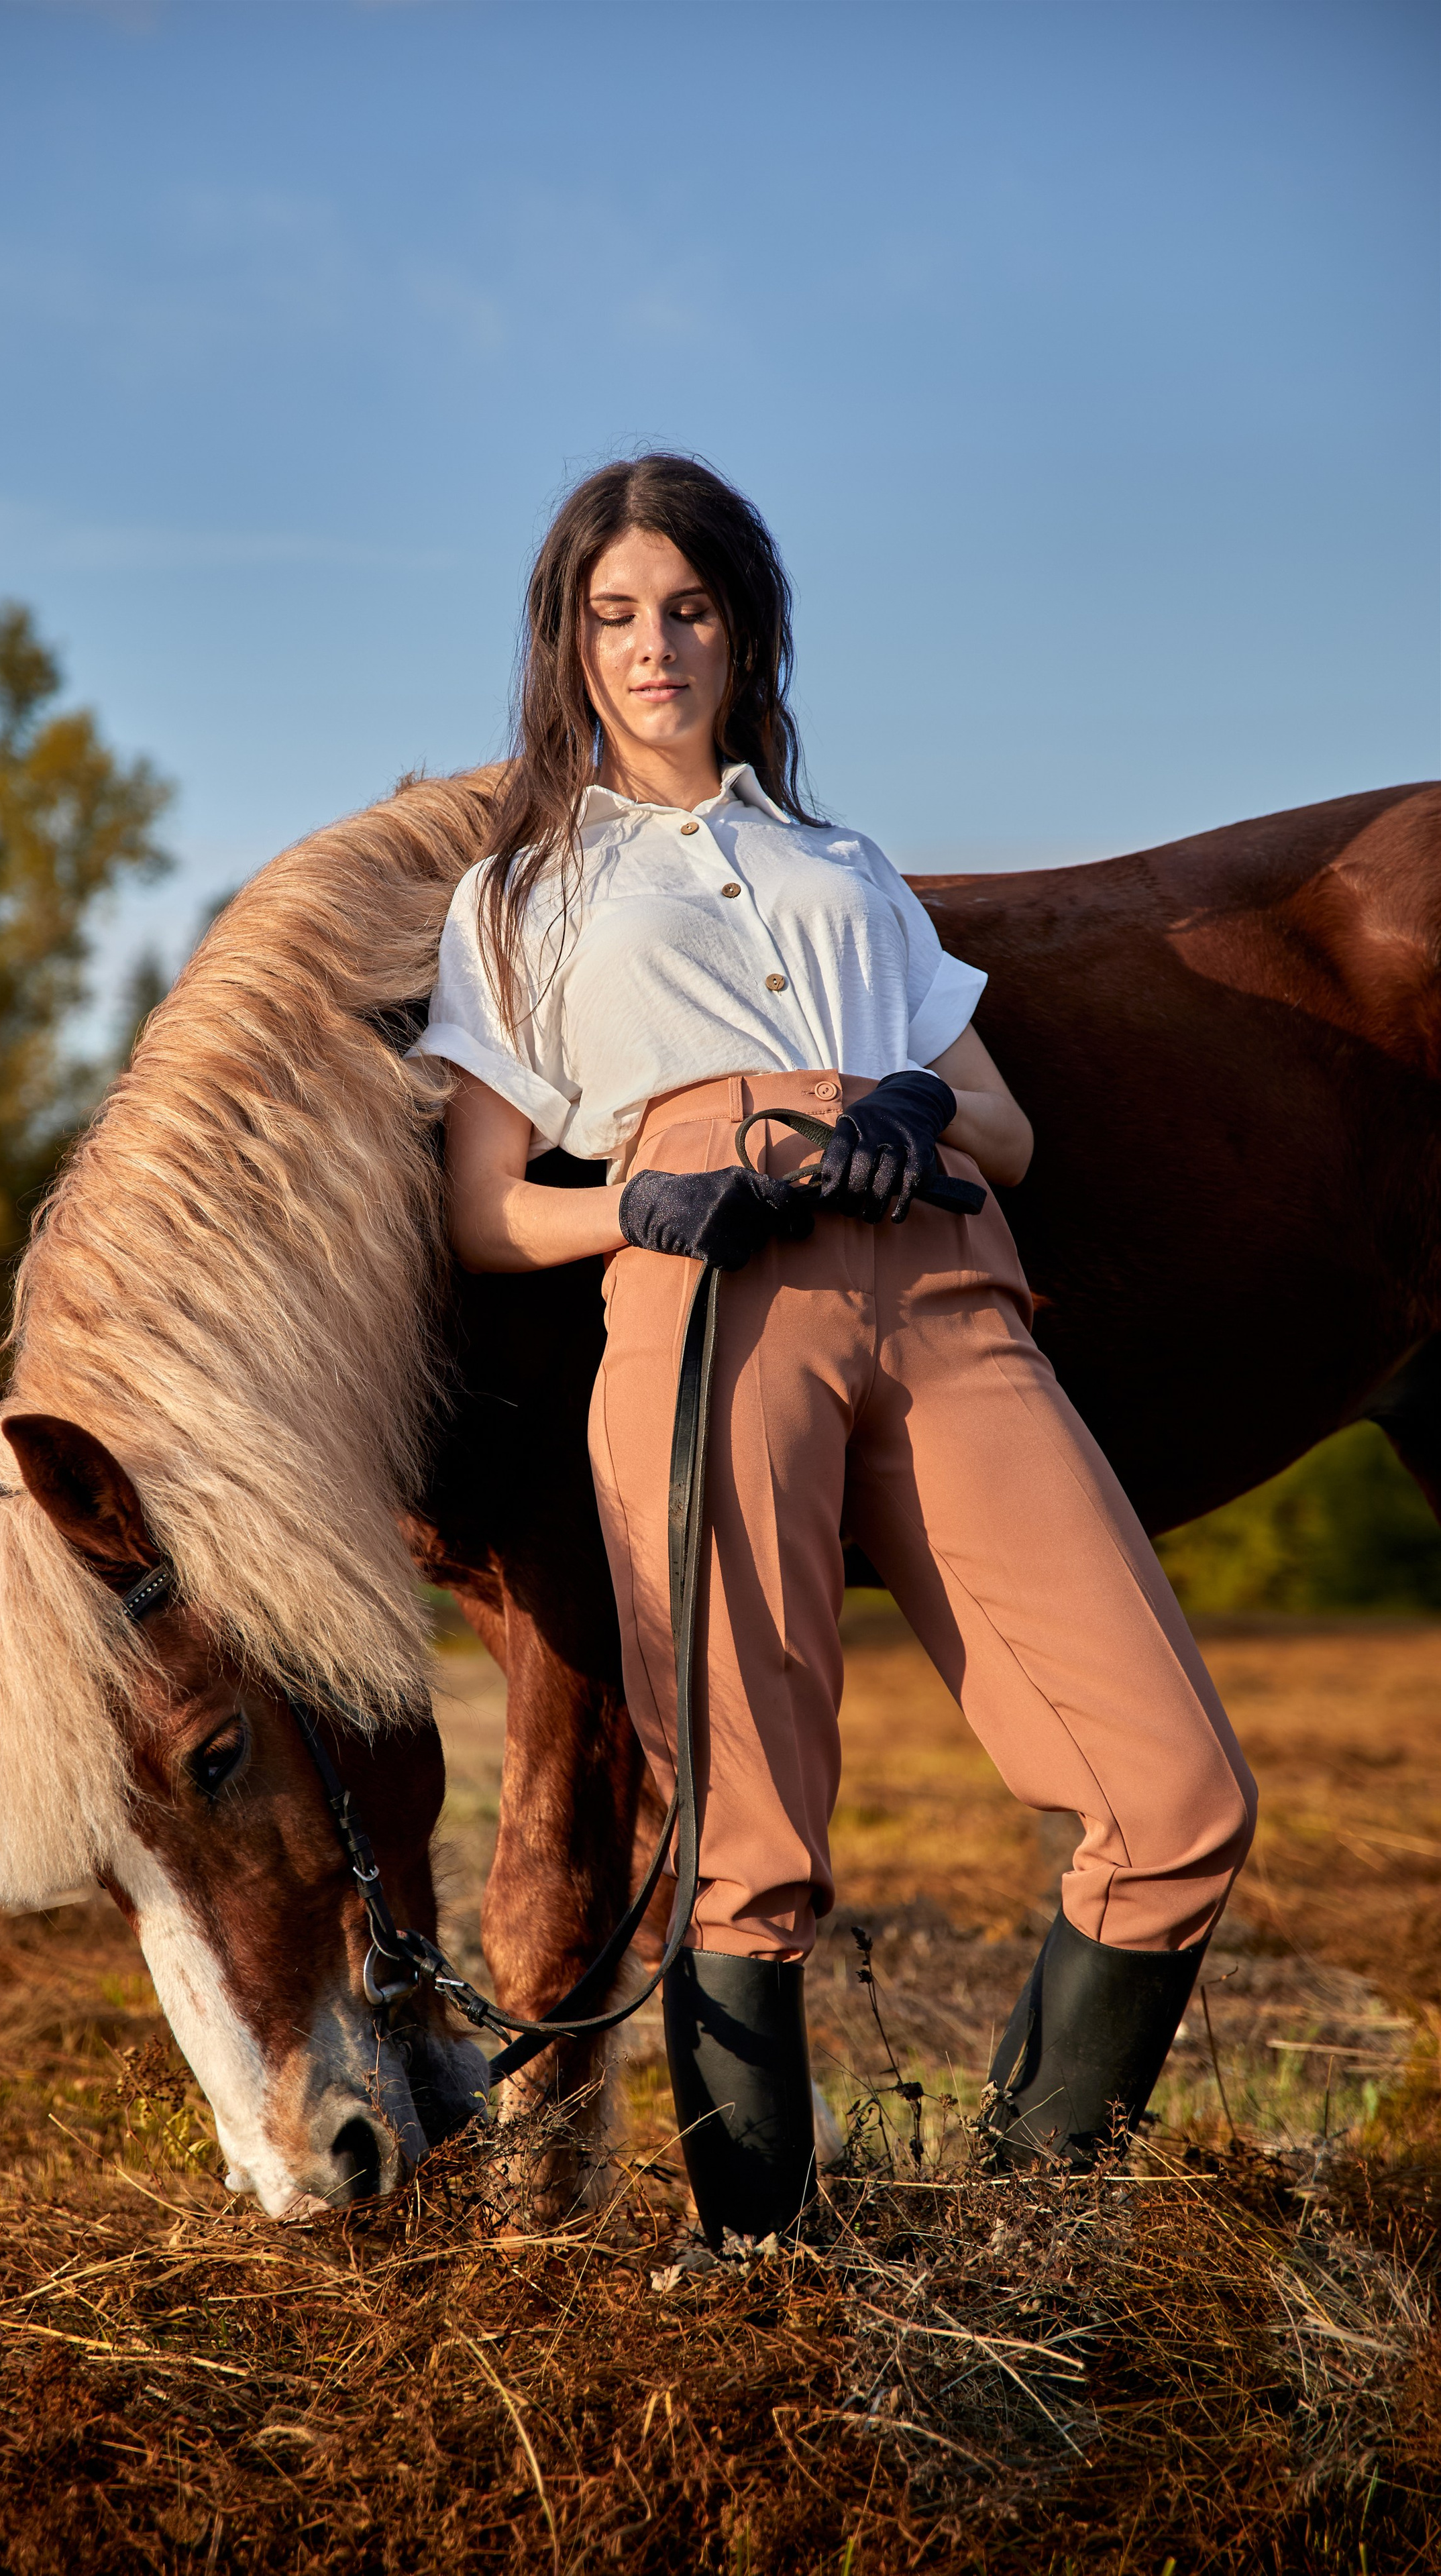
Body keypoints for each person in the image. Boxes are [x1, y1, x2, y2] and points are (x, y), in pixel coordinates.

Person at [416, 453, 1256, 2246]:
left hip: (948, 1282)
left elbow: (1006, 1126)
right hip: (711, 1303)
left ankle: (1021, 2237)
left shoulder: (847, 864)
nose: (656, 647)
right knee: (743, 1830)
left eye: (691, 610)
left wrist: (906, 1111)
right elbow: (487, 1207)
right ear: (569, 645)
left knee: (1176, 1795)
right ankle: (755, 2262)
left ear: (747, 631)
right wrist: (629, 1203)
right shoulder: (518, 893)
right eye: (617, 615)